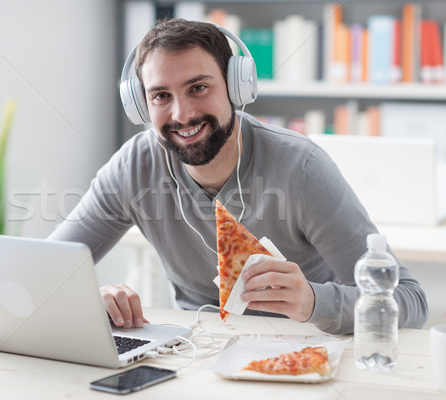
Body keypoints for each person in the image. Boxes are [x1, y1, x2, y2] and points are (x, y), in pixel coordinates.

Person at [48, 18, 428, 335]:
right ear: (141, 105)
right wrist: (92, 299)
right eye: (161, 96)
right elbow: (46, 271)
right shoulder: (134, 165)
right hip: (196, 352)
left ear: (235, 87)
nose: (181, 114)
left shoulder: (302, 167)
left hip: (305, 349)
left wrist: (313, 301)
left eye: (198, 87)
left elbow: (410, 301)